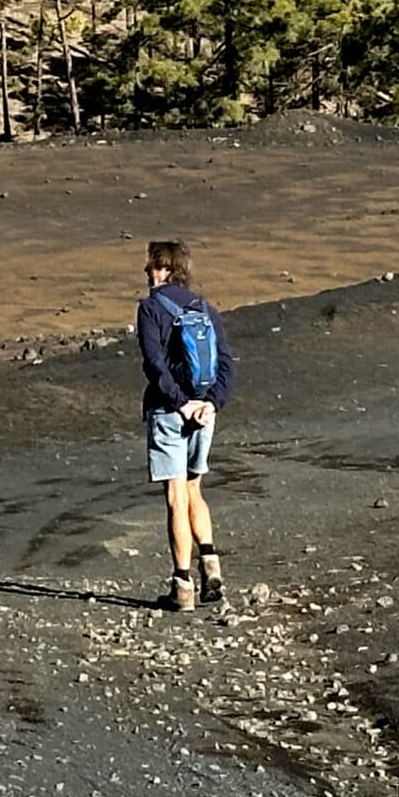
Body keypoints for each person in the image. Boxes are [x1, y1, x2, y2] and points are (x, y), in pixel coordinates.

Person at [137, 239, 234, 612]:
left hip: (169, 412)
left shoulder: (150, 309)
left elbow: (153, 365)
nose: (147, 272)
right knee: (194, 489)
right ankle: (212, 569)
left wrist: (179, 404)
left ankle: (182, 587)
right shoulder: (206, 308)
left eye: (153, 266)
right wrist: (211, 403)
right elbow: (226, 364)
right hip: (204, 414)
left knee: (176, 497)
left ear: (166, 269)